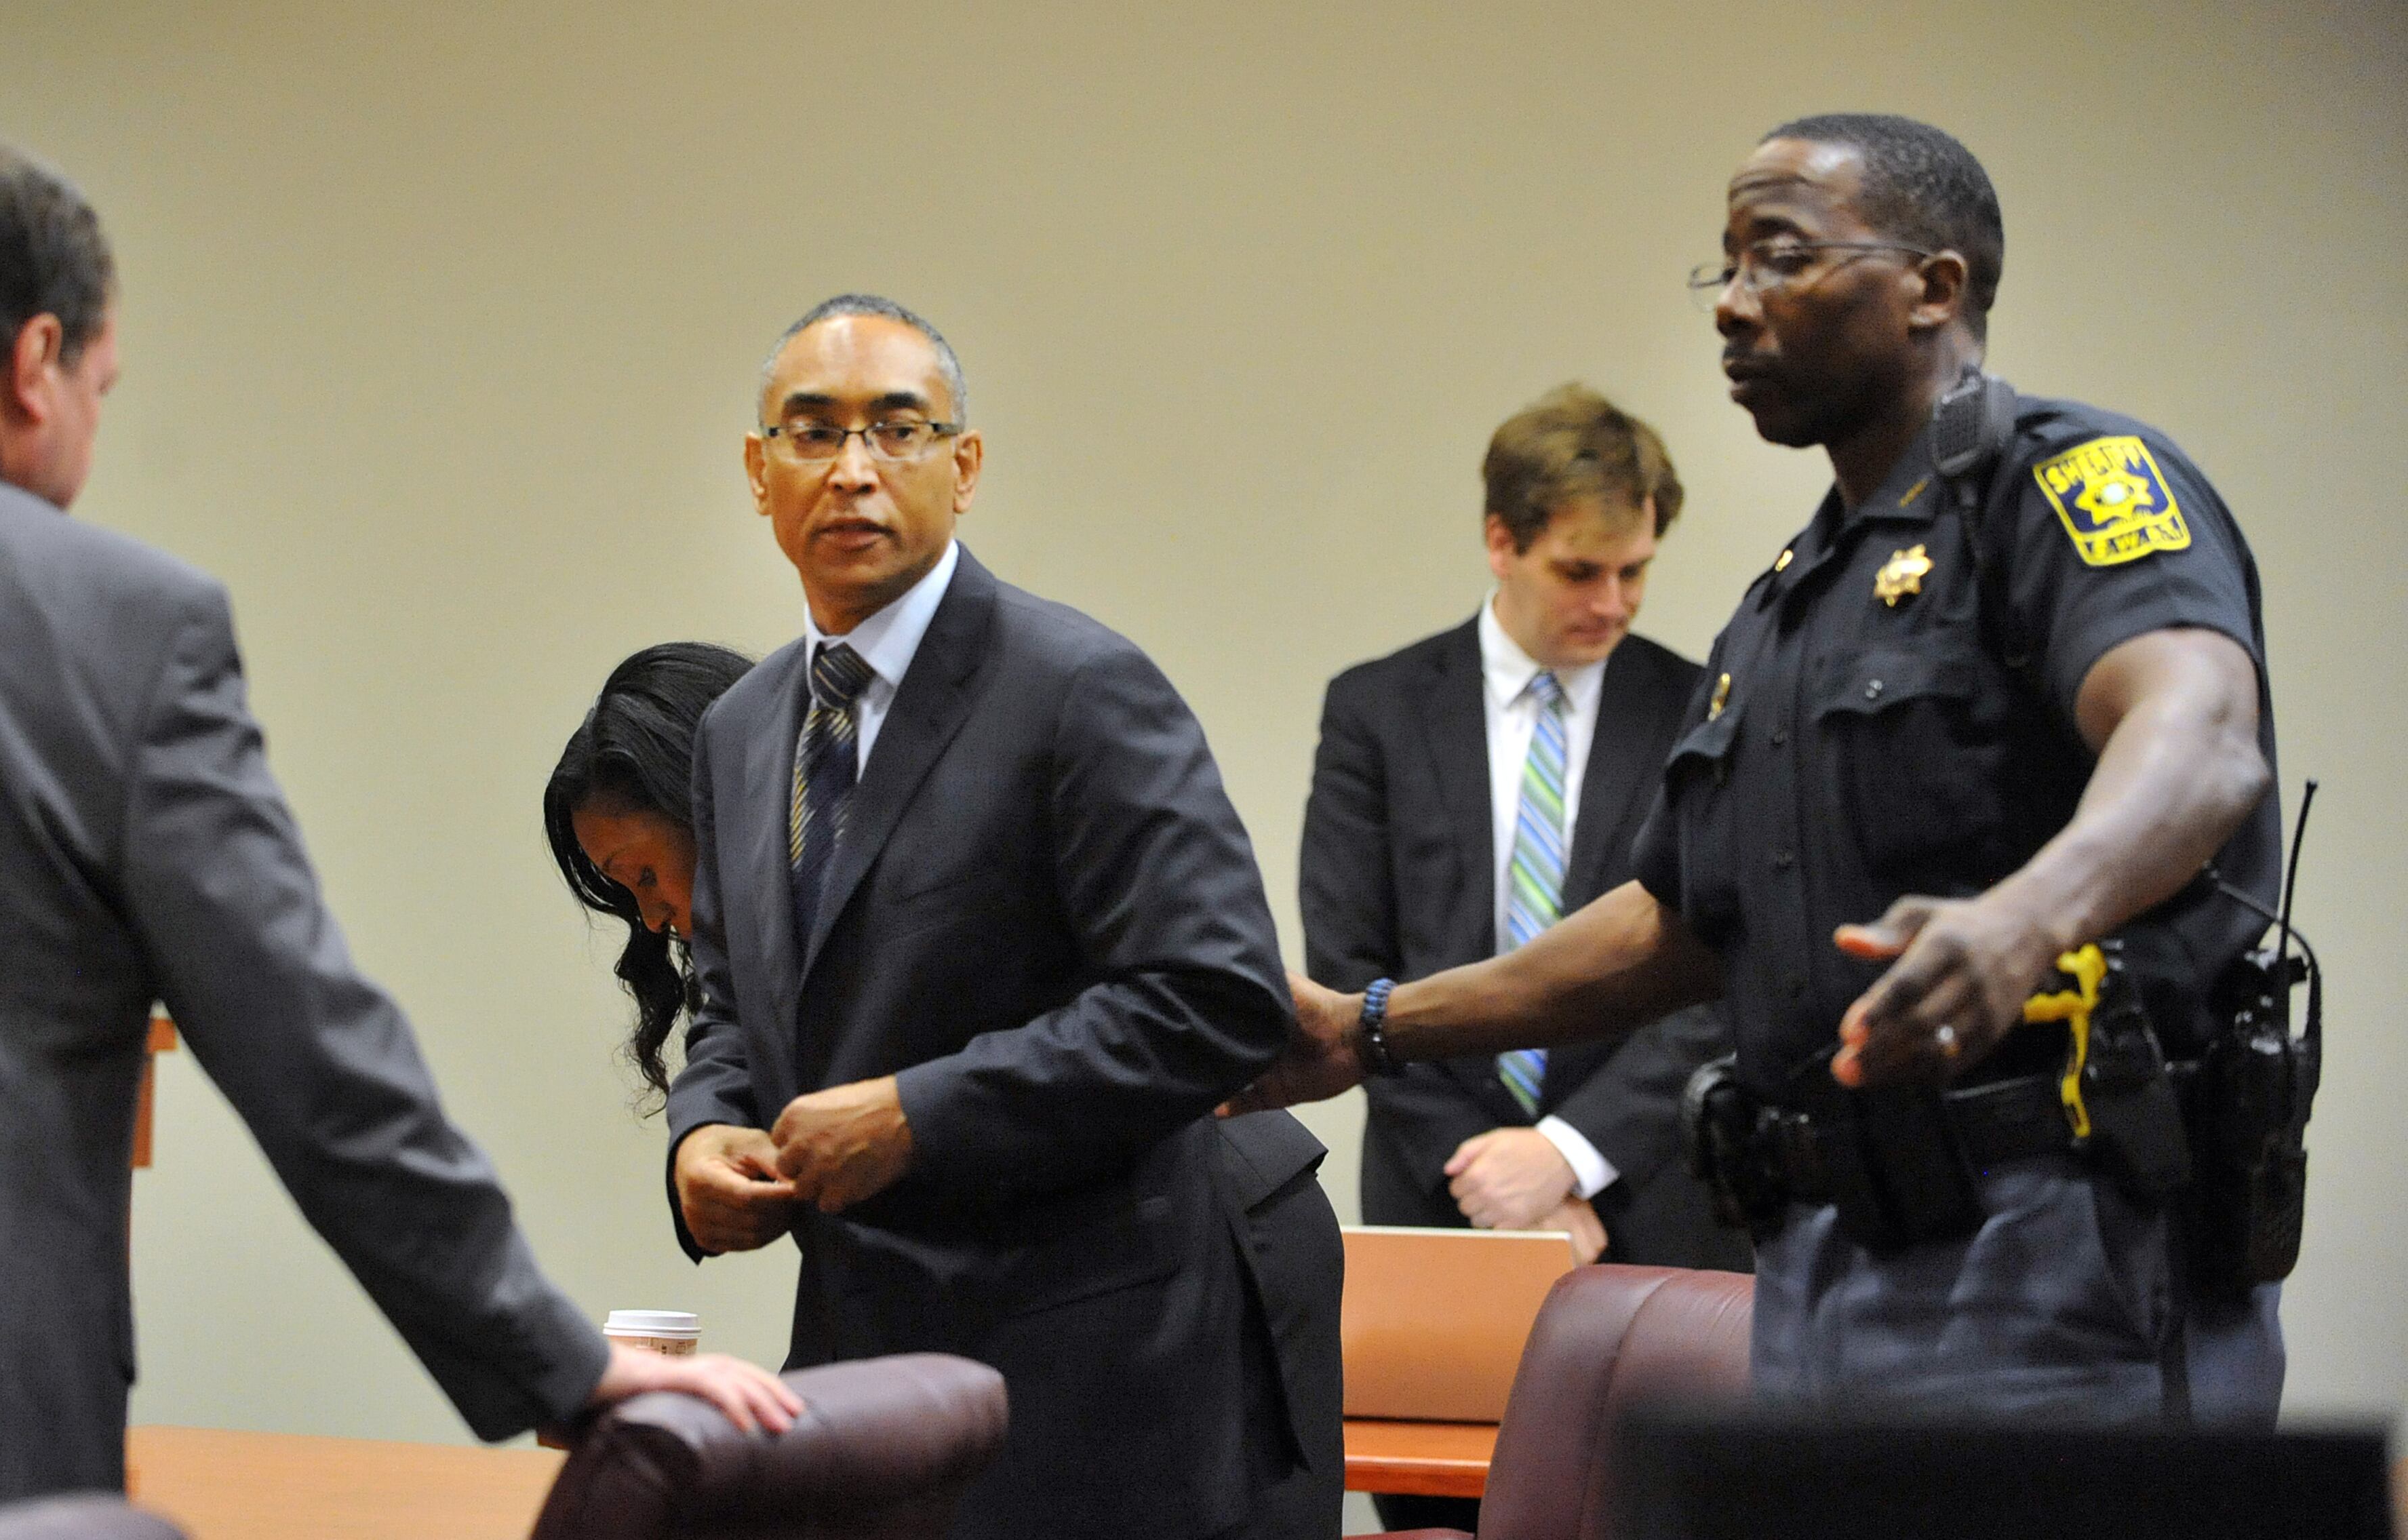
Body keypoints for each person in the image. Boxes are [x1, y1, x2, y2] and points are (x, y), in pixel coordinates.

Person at [0, 143, 795, 1537]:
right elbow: (317, 1063)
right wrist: (556, 1359)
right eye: (102, 391)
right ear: (39, 360)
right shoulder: (111, 622)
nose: (87, 436)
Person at [1238, 114, 2286, 1425]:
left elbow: (2198, 732)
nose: (1732, 307)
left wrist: (2025, 918)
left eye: (1779, 259)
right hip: (1821, 1259)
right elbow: (1674, 923)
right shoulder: (1788, 604)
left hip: (2060, 1247)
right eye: (1724, 269)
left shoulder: (2061, 483)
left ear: (1933, 288)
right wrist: (1371, 1025)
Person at [660, 294, 1341, 1539]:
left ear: (962, 468)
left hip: (1087, 1374)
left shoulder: (1076, 686)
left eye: (898, 430)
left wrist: (921, 1116)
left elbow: (1218, 999)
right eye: (812, 434)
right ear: (761, 475)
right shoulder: (741, 729)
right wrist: (703, 1136)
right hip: (862, 1360)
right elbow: (729, 999)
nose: (854, 470)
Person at [547, 637, 1345, 1538]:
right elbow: (726, 1023)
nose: (651, 918)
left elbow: (1132, 1020)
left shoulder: (945, 802)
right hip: (1008, 1261)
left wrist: (903, 1117)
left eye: (646, 877)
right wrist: (703, 1134)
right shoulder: (764, 906)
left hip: (1198, 1220)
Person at [1300, 385, 1749, 1533]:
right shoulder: (1378, 710)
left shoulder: (1704, 704)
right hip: (1438, 1204)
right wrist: (1489, 1171)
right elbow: (1352, 974)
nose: (1615, 600)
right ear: (1503, 543)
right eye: (1582, 570)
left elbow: (1727, 960)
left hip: (1649, 1204)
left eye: (1637, 571)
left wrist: (1565, 1156)